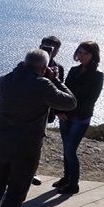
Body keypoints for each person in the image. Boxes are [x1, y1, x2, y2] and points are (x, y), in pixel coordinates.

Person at [0, 49, 76, 207]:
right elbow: (70, 102)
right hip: (25, 148)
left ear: (23, 63)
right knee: (16, 194)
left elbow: (16, 77)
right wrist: (56, 80)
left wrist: (28, 69)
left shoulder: (4, 81)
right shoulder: (42, 85)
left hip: (1, 143)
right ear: (44, 68)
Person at [55, 41, 104, 195]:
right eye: (80, 52)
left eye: (86, 53)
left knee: (70, 150)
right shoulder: (74, 70)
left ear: (93, 56)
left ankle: (73, 184)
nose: (81, 56)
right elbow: (64, 91)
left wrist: (67, 112)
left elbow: (91, 99)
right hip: (65, 115)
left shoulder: (97, 75)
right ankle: (66, 177)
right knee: (66, 148)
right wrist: (58, 110)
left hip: (80, 118)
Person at [31, 35, 64, 186]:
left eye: (52, 49)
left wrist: (53, 77)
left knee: (37, 143)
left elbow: (57, 93)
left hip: (44, 113)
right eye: (44, 47)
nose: (48, 51)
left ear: (57, 51)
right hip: (26, 109)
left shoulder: (58, 69)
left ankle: (32, 172)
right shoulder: (30, 63)